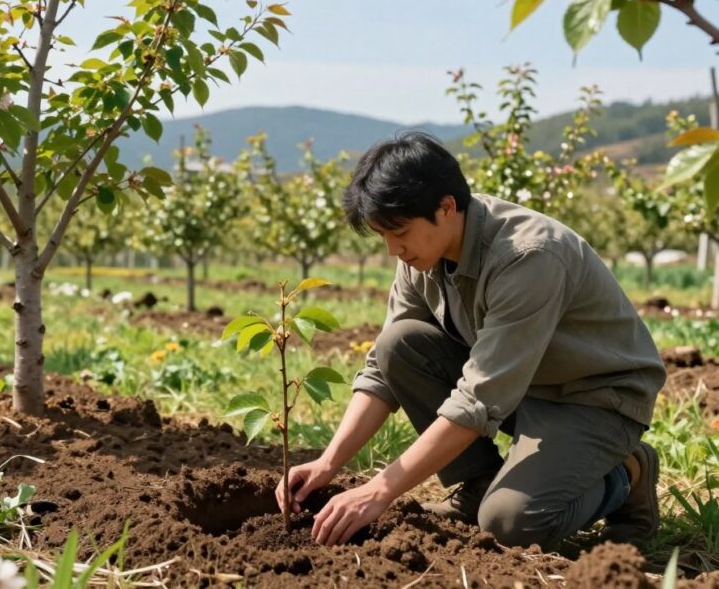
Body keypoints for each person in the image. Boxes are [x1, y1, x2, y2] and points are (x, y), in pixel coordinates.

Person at [277, 132, 665, 550]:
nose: (393, 249)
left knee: (510, 525)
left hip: (595, 399)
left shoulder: (527, 256)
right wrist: (329, 462)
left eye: (400, 232)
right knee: (399, 344)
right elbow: (382, 369)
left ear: (446, 207)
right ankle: (478, 485)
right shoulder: (422, 253)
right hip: (522, 389)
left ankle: (626, 471)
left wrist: (380, 490)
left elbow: (478, 399)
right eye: (383, 236)